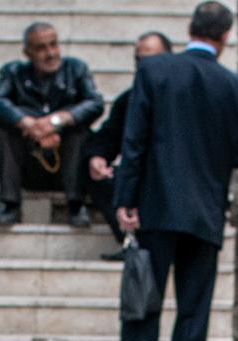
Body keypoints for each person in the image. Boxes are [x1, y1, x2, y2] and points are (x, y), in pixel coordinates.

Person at [93, 2, 238, 341]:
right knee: (194, 311)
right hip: (206, 215)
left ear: (190, 29)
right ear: (225, 38)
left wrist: (125, 198)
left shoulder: (155, 72)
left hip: (155, 207)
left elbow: (135, 139)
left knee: (143, 301)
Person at [0, 23, 104, 227]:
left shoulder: (76, 69)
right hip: (30, 161)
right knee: (3, 130)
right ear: (27, 52)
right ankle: (10, 203)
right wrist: (28, 124)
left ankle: (76, 203)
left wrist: (56, 122)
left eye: (53, 45)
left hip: (67, 161)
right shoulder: (13, 72)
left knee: (80, 130)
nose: (50, 53)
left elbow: (95, 103)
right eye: (41, 48)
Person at [86, 32, 174, 260]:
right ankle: (131, 239)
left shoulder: (181, 97)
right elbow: (109, 135)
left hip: (172, 179)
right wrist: (98, 157)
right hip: (136, 176)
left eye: (151, 59)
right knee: (98, 174)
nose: (144, 66)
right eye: (139, 60)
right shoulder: (129, 99)